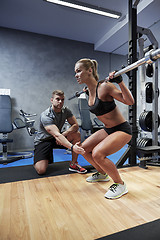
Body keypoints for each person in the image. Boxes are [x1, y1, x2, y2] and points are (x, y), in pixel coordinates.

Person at [74, 58, 134, 199]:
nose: (76, 75)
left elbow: (130, 102)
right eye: (75, 72)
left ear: (89, 70)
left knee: (97, 153)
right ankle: (102, 173)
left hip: (122, 129)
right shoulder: (89, 91)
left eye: (78, 71)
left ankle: (120, 184)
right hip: (108, 129)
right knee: (83, 149)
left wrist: (120, 81)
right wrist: (88, 89)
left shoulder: (105, 87)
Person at [34, 90, 87, 175]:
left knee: (76, 134)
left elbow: (75, 125)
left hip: (57, 137)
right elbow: (56, 134)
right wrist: (72, 147)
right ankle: (40, 157)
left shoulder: (66, 110)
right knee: (41, 170)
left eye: (62, 100)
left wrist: (63, 135)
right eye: (57, 99)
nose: (60, 102)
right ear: (52, 100)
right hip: (43, 140)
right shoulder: (46, 115)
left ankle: (74, 164)